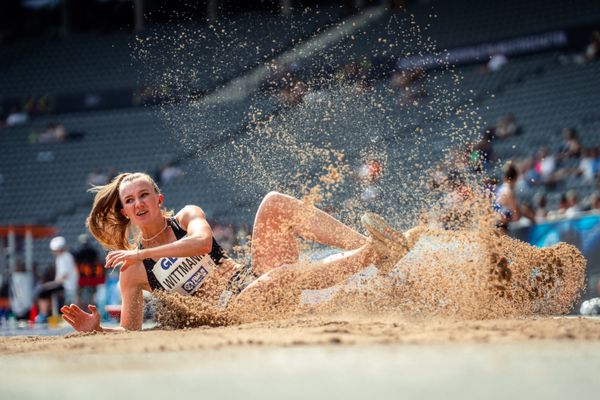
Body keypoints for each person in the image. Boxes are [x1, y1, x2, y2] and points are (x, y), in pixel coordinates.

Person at [61, 172, 409, 332]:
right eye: (130, 200)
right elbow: (131, 331)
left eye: (144, 195)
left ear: (158, 200)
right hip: (233, 311)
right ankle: (374, 253)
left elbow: (202, 244)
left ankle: (370, 247)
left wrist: (139, 254)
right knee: (281, 278)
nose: (139, 203)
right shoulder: (133, 272)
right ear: (124, 211)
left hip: (251, 280)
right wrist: (98, 329)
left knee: (273, 202)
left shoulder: (186, 217)